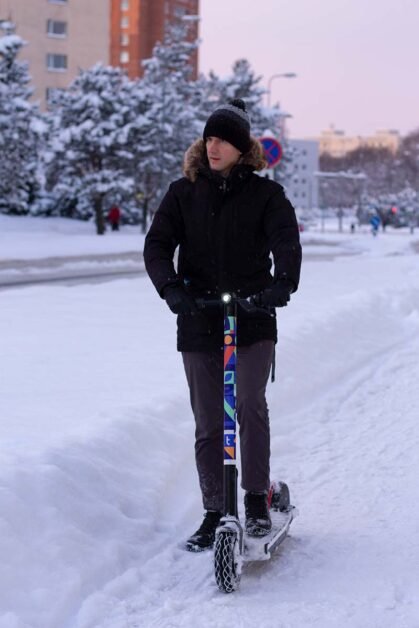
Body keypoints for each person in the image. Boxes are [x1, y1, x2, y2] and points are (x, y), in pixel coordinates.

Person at [143, 99, 302, 551]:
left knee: (249, 403)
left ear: (241, 147)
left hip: (251, 317)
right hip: (198, 316)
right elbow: (156, 246)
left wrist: (280, 286)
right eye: (209, 138)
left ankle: (255, 499)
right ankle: (215, 510)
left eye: (224, 140)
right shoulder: (183, 192)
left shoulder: (267, 195)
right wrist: (171, 289)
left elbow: (286, 243)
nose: (213, 146)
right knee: (210, 420)